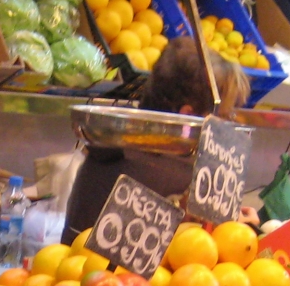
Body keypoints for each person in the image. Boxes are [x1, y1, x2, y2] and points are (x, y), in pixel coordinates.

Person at [62, 39, 250, 241]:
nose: (225, 126)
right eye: (222, 116)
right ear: (189, 115)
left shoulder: (134, 146)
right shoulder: (143, 164)